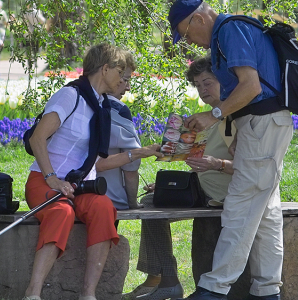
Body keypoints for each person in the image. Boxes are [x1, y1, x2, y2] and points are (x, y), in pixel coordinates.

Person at [169, 1, 294, 300]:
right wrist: (235, 123)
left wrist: (214, 115)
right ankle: (266, 292)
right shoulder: (230, 30)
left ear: (197, 19)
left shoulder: (229, 31)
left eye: (185, 34)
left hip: (264, 123)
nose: (188, 42)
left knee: (240, 204)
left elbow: (250, 87)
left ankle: (213, 289)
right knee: (266, 215)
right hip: (260, 124)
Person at [23, 43, 140, 300]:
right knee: (61, 211)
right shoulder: (70, 96)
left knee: (104, 208)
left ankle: (88, 294)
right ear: (105, 68)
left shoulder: (101, 107)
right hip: (44, 182)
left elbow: (96, 163)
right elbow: (37, 139)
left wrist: (139, 153)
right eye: (121, 72)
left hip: (77, 186)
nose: (124, 80)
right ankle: (33, 292)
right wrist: (51, 178)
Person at [123, 56, 235, 300]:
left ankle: (165, 280)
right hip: (202, 189)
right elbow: (201, 166)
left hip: (224, 195)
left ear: (223, 81)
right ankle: (162, 279)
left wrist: (217, 164)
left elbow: (251, 167)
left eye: (208, 82)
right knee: (154, 200)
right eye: (197, 84)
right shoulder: (204, 120)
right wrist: (173, 186)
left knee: (153, 207)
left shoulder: (234, 117)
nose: (202, 89)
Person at [97, 51, 163, 210]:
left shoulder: (78, 100)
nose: (127, 87)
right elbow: (131, 166)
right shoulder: (118, 110)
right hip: (108, 196)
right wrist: (132, 202)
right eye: (124, 79)